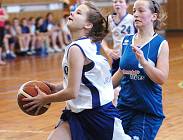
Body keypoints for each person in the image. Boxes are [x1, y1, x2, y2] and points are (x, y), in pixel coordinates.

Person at [23, 1, 131, 140]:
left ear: (88, 25)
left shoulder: (77, 49)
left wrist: (45, 99)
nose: (72, 13)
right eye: (74, 10)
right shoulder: (86, 44)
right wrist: (56, 87)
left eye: (78, 12)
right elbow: (83, 80)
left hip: (99, 117)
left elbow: (72, 92)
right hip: (76, 114)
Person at [112, 0, 169, 139]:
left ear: (153, 16)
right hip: (124, 107)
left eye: (141, 11)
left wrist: (144, 62)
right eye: (134, 11)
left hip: (147, 110)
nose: (136, 14)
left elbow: (161, 78)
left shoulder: (161, 44)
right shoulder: (127, 40)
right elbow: (121, 71)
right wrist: (99, 89)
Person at [102, 0, 135, 76]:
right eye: (115, 2)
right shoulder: (109, 19)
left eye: (120, 1)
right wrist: (107, 50)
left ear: (127, 5)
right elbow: (100, 37)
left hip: (130, 56)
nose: (117, 4)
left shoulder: (132, 19)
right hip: (117, 57)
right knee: (114, 83)